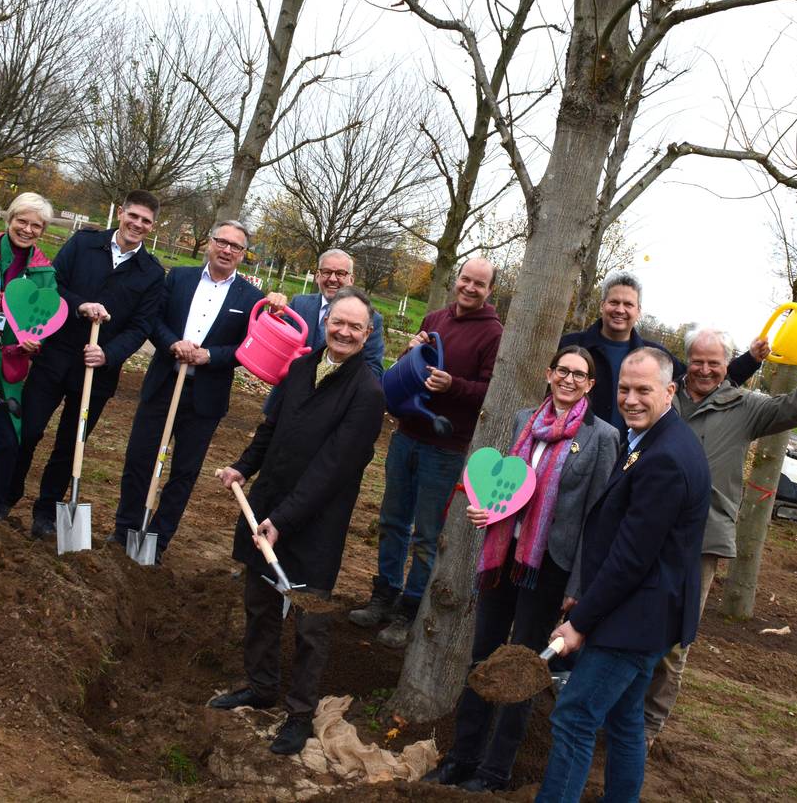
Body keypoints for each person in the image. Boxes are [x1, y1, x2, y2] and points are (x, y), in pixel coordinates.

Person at [422, 345, 619, 793]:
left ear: (590, 384)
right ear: (549, 374)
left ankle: (495, 770)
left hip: (549, 568)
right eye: (562, 371)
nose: (569, 380)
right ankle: (462, 757)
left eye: (579, 375)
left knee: (524, 665)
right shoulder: (524, 420)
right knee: (484, 656)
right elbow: (507, 488)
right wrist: (485, 512)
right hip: (503, 558)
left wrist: (578, 586)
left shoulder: (600, 437)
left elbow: (597, 518)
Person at [209, 287, 385, 756]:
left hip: (315, 523)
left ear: (368, 335)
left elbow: (333, 467)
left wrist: (284, 520)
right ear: (326, 323)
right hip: (271, 504)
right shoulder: (301, 366)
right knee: (260, 602)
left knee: (310, 621)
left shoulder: (367, 393)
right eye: (338, 323)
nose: (344, 332)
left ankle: (300, 713)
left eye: (355, 327)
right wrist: (243, 467)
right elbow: (270, 429)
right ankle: (261, 686)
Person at [536, 348, 711, 803]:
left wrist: (579, 623)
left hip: (637, 619)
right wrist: (588, 598)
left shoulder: (666, 458)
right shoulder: (650, 439)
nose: (630, 399)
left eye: (643, 390)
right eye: (625, 389)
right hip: (645, 612)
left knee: (574, 717)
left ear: (670, 391)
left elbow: (633, 558)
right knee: (626, 717)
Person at [643, 326, 797, 747]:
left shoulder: (746, 407)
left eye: (715, 363)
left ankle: (647, 726)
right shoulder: (662, 398)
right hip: (644, 529)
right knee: (629, 624)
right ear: (688, 362)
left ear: (727, 366)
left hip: (702, 539)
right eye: (699, 361)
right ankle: (616, 711)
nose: (705, 370)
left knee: (674, 641)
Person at [348, 257, 503, 649]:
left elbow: (490, 392)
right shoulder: (434, 319)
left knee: (427, 534)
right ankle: (383, 595)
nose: (469, 287)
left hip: (447, 446)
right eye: (465, 279)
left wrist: (453, 385)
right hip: (407, 434)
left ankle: (409, 611)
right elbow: (407, 369)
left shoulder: (494, 334)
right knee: (392, 520)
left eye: (479, 284)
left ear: (490, 291)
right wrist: (408, 350)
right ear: (457, 280)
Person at [111, 221, 288, 562]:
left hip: (205, 396)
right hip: (164, 383)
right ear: (210, 243)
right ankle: (124, 532)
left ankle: (157, 543)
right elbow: (154, 319)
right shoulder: (179, 277)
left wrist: (210, 355)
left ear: (242, 254)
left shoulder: (250, 299)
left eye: (236, 247)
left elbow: (246, 347)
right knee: (139, 460)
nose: (227, 250)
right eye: (222, 242)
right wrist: (172, 344)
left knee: (184, 472)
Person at [8, 191, 166, 537]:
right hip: (55, 356)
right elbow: (54, 284)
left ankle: (45, 513)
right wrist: (80, 305)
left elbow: (142, 325)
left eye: (146, 221)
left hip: (97, 372)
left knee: (70, 445)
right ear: (121, 213)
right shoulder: (84, 244)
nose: (137, 225)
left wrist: (109, 355)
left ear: (152, 227)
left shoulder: (152, 273)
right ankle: (7, 494)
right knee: (30, 429)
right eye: (133, 216)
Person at [561, 271, 764, 428]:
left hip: (628, 462)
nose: (620, 310)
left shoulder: (654, 356)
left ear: (638, 311)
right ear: (602, 305)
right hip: (573, 456)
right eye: (614, 302)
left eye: (628, 304)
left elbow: (703, 378)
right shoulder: (571, 347)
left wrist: (751, 359)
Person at [0, 193, 57, 519]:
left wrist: (35, 342)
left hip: (4, 372)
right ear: (10, 219)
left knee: (8, 443)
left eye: (37, 225)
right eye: (22, 221)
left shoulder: (43, 272)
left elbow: (44, 320)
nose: (28, 229)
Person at [281, 248, 384, 380]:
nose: (333, 279)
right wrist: (274, 311)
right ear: (317, 276)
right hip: (288, 392)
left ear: (351, 279)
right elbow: (276, 343)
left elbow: (373, 372)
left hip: (335, 398)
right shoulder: (299, 304)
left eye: (340, 273)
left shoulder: (371, 319)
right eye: (326, 272)